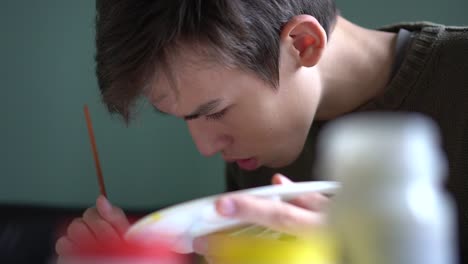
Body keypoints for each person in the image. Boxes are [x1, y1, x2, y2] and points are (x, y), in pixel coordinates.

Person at [56, 0, 468, 263]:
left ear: (303, 44)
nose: (204, 147)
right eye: (186, 118)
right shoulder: (259, 156)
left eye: (215, 112)